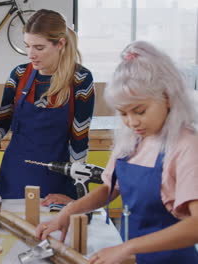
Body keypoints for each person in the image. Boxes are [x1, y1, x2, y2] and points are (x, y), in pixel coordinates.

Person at [36, 41, 198, 264]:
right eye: (123, 113)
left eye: (140, 111)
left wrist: (127, 248)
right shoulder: (132, 140)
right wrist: (70, 211)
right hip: (134, 257)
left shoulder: (186, 146)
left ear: (168, 98)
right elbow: (109, 188)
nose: (132, 122)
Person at [0, 9, 95, 200]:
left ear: (60, 44)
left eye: (39, 47)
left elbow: (79, 137)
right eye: (27, 46)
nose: (30, 54)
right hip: (15, 174)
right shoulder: (19, 75)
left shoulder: (80, 80)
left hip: (57, 177)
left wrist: (77, 186)